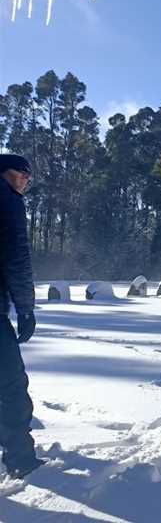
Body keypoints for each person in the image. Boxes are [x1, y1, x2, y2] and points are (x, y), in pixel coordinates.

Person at [0, 154, 44, 479]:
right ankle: (20, 459)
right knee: (11, 383)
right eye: (21, 174)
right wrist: (25, 307)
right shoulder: (7, 200)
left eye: (29, 177)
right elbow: (16, 256)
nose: (25, 181)